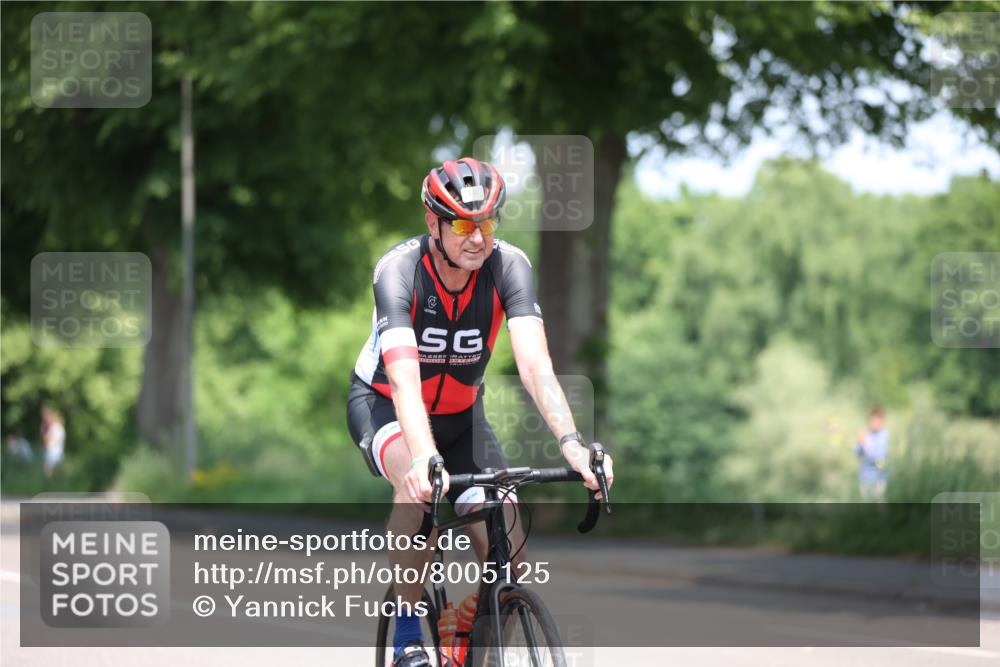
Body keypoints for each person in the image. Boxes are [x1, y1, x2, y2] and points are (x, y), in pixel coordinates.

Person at [346, 157, 614, 667]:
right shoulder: (399, 271)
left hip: (463, 416)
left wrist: (573, 444)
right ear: (434, 224)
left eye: (487, 223)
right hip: (384, 405)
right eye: (465, 225)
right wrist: (424, 458)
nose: (477, 237)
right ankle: (407, 631)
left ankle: (476, 647)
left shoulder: (509, 267)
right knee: (414, 485)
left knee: (508, 539)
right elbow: (404, 381)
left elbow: (535, 365)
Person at [855, 406, 889, 499]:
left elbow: (879, 456)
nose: (876, 423)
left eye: (878, 420)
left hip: (879, 478)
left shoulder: (884, 435)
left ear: (882, 421)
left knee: (879, 501)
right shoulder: (866, 434)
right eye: (873, 420)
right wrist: (861, 443)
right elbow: (858, 453)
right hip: (865, 476)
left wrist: (865, 444)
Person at [41, 406, 66, 477]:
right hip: (54, 453)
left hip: (54, 454)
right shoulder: (55, 427)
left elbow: (48, 441)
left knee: (51, 474)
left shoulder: (56, 428)